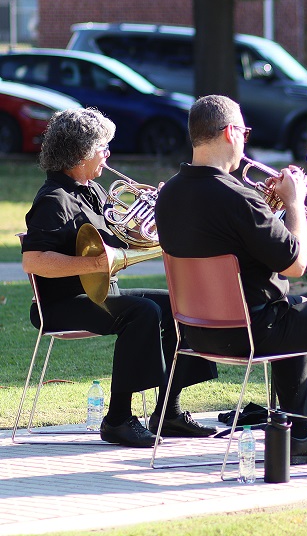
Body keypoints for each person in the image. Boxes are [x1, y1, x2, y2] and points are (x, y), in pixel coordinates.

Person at [154, 95, 307, 473]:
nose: (246, 140)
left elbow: (233, 241)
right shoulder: (238, 198)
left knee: (303, 308)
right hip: (256, 329)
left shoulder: (170, 193)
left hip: (197, 331)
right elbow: (296, 263)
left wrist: (269, 208)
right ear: (230, 133)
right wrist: (293, 204)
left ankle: (299, 435)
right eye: (245, 131)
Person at [21, 108, 217, 448]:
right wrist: (92, 266)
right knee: (142, 312)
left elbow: (122, 240)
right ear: (81, 153)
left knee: (179, 306)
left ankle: (167, 412)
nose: (107, 154)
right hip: (62, 304)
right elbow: (34, 260)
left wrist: (160, 209)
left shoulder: (92, 191)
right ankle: (118, 419)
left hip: (102, 293)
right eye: (103, 147)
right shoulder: (54, 199)